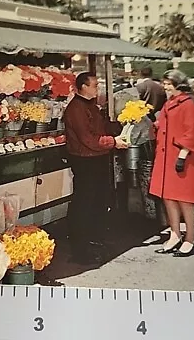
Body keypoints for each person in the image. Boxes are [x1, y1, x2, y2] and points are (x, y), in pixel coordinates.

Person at [149, 70, 194, 257]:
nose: (165, 86)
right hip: (165, 157)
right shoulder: (169, 103)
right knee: (168, 197)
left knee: (184, 199)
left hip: (181, 158)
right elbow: (162, 125)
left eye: (169, 83)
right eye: (164, 83)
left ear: (178, 84)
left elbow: (192, 132)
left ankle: (190, 237)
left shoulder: (188, 104)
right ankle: (175, 233)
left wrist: (182, 155)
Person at [63, 71, 128, 265]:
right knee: (84, 203)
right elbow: (89, 139)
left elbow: (103, 127)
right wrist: (113, 142)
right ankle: (79, 249)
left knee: (98, 201)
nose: (97, 89)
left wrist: (123, 123)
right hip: (85, 161)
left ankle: (93, 240)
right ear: (83, 86)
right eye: (95, 86)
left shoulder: (91, 106)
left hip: (97, 159)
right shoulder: (75, 109)